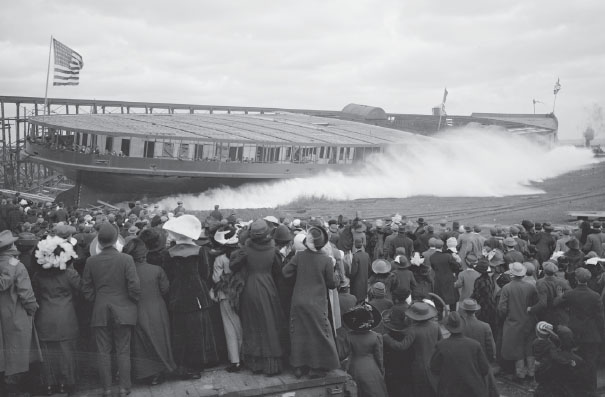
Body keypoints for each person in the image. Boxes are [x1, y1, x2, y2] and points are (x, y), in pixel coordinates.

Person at [82, 223, 141, 396]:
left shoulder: (91, 261)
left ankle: (107, 389)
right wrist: (130, 302)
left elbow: (86, 289)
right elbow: (135, 287)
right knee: (123, 350)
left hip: (100, 310)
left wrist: (98, 300)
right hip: (123, 310)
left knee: (103, 352)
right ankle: (124, 388)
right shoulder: (126, 259)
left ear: (99, 241)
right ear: (116, 240)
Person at [161, 215, 219, 379]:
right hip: (198, 295)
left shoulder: (168, 253)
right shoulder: (200, 251)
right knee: (198, 330)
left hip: (177, 295)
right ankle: (198, 363)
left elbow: (168, 275)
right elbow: (205, 273)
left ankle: (182, 364)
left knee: (180, 331)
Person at [283, 226, 339, 378]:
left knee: (299, 333)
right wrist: (336, 271)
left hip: (298, 300)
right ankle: (317, 367)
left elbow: (286, 272)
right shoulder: (327, 260)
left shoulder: (299, 256)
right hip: (317, 303)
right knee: (319, 334)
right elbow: (332, 284)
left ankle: (298, 367)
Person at [231, 219, 286, 375]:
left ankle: (256, 364)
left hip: (249, 288)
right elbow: (278, 271)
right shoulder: (273, 250)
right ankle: (272, 365)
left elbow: (233, 266)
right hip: (268, 287)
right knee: (270, 324)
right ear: (267, 233)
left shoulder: (246, 250)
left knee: (253, 325)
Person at [32, 234, 81, 395]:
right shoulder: (69, 274)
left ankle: (49, 384)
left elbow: (36, 295)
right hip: (66, 316)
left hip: (45, 317)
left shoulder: (38, 276)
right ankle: (66, 384)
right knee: (66, 352)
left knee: (48, 353)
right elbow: (81, 292)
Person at [123, 238, 175, 385]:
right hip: (157, 308)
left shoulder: (127, 272)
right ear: (145, 254)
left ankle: (146, 373)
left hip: (137, 309)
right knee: (160, 339)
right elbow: (165, 289)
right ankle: (161, 370)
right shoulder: (157, 270)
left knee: (141, 343)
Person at [0, 230, 39, 395]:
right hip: (16, 316)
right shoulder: (17, 265)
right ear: (11, 246)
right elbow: (26, 293)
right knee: (17, 356)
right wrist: (33, 308)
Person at [554, 267, 605, 394]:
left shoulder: (570, 294)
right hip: (592, 335)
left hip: (575, 333)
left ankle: (577, 389)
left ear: (576, 279)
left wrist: (559, 295)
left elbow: (556, 303)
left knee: (576, 361)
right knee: (591, 364)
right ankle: (591, 390)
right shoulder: (595, 296)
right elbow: (600, 318)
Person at [382, 302, 441, 397]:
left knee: (420, 391)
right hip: (434, 362)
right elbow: (440, 343)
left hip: (419, 367)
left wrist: (387, 338)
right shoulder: (435, 325)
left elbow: (402, 346)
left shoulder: (413, 330)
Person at [430, 312, 490, 397]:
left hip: (450, 391)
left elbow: (434, 369)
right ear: (462, 326)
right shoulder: (475, 345)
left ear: (448, 328)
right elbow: (485, 369)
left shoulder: (441, 346)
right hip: (473, 390)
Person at [497, 262, 539, 383]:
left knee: (517, 348)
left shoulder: (507, 288)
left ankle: (520, 374)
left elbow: (502, 308)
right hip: (529, 321)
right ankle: (531, 372)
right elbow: (535, 304)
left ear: (512, 274)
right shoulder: (531, 287)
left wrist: (504, 318)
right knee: (529, 347)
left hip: (514, 322)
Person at [211, 227, 243, 373]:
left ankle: (235, 360)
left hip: (225, 295)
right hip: (241, 293)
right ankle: (244, 356)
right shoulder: (243, 257)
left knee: (230, 328)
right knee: (241, 326)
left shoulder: (220, 259)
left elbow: (216, 279)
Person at [341, 304, 388, 397]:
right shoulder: (376, 336)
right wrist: (381, 370)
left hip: (354, 367)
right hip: (372, 368)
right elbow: (379, 358)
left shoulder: (349, 336)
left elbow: (343, 354)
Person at [349, 238, 369, 303]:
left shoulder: (355, 256)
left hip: (357, 284)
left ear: (355, 246)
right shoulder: (366, 255)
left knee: (357, 302)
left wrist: (350, 278)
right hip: (365, 282)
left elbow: (354, 272)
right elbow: (370, 268)